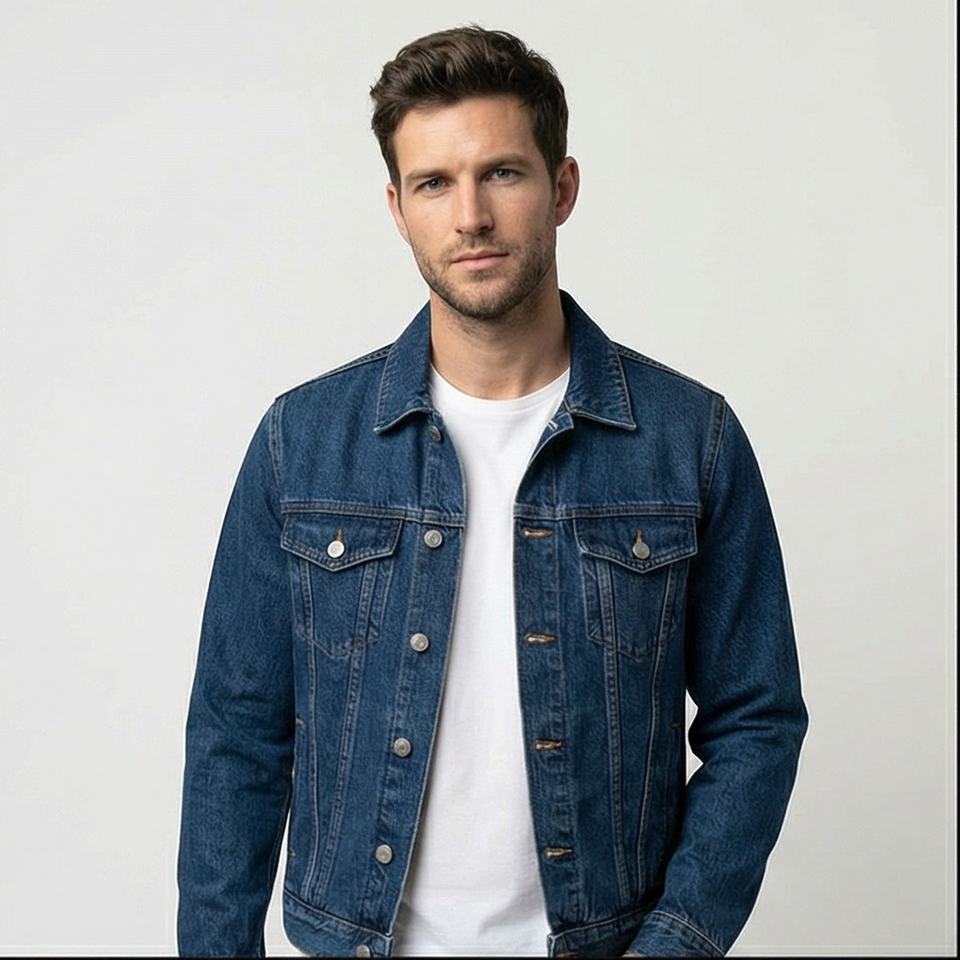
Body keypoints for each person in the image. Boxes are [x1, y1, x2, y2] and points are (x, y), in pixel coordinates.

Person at [176, 24, 809, 959]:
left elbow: (758, 720)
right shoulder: (302, 443)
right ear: (398, 209)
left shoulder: (690, 441)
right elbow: (235, 734)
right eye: (434, 183)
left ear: (563, 187)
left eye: (502, 173)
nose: (469, 215)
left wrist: (674, 945)